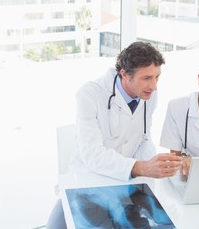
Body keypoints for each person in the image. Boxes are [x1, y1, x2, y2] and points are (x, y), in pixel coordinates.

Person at [46, 41, 183, 229]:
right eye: (147, 78)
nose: (154, 86)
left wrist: (156, 166)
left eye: (157, 77)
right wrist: (142, 167)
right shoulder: (89, 94)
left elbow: (143, 139)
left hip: (126, 184)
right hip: (87, 180)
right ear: (125, 74)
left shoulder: (149, 95)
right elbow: (92, 154)